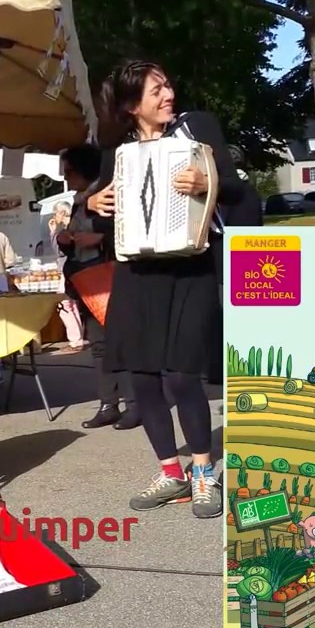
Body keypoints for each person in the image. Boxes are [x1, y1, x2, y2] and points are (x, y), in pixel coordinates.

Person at [86, 60, 244, 519]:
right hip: (137, 273)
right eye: (156, 91)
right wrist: (93, 203)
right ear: (132, 106)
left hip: (190, 268)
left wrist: (209, 182)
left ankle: (203, 472)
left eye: (168, 85)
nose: (168, 95)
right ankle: (171, 473)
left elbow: (238, 191)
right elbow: (104, 213)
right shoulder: (117, 151)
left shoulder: (197, 129)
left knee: (180, 375)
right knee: (143, 378)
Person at [55, 143, 137, 428]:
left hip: (110, 277)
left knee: (120, 343)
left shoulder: (109, 195)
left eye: (69, 172)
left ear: (84, 170)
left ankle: (134, 404)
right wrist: (65, 240)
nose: (66, 178)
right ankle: (108, 403)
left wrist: (101, 238)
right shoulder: (80, 202)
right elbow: (75, 239)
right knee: (99, 345)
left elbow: (130, 229)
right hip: (87, 280)